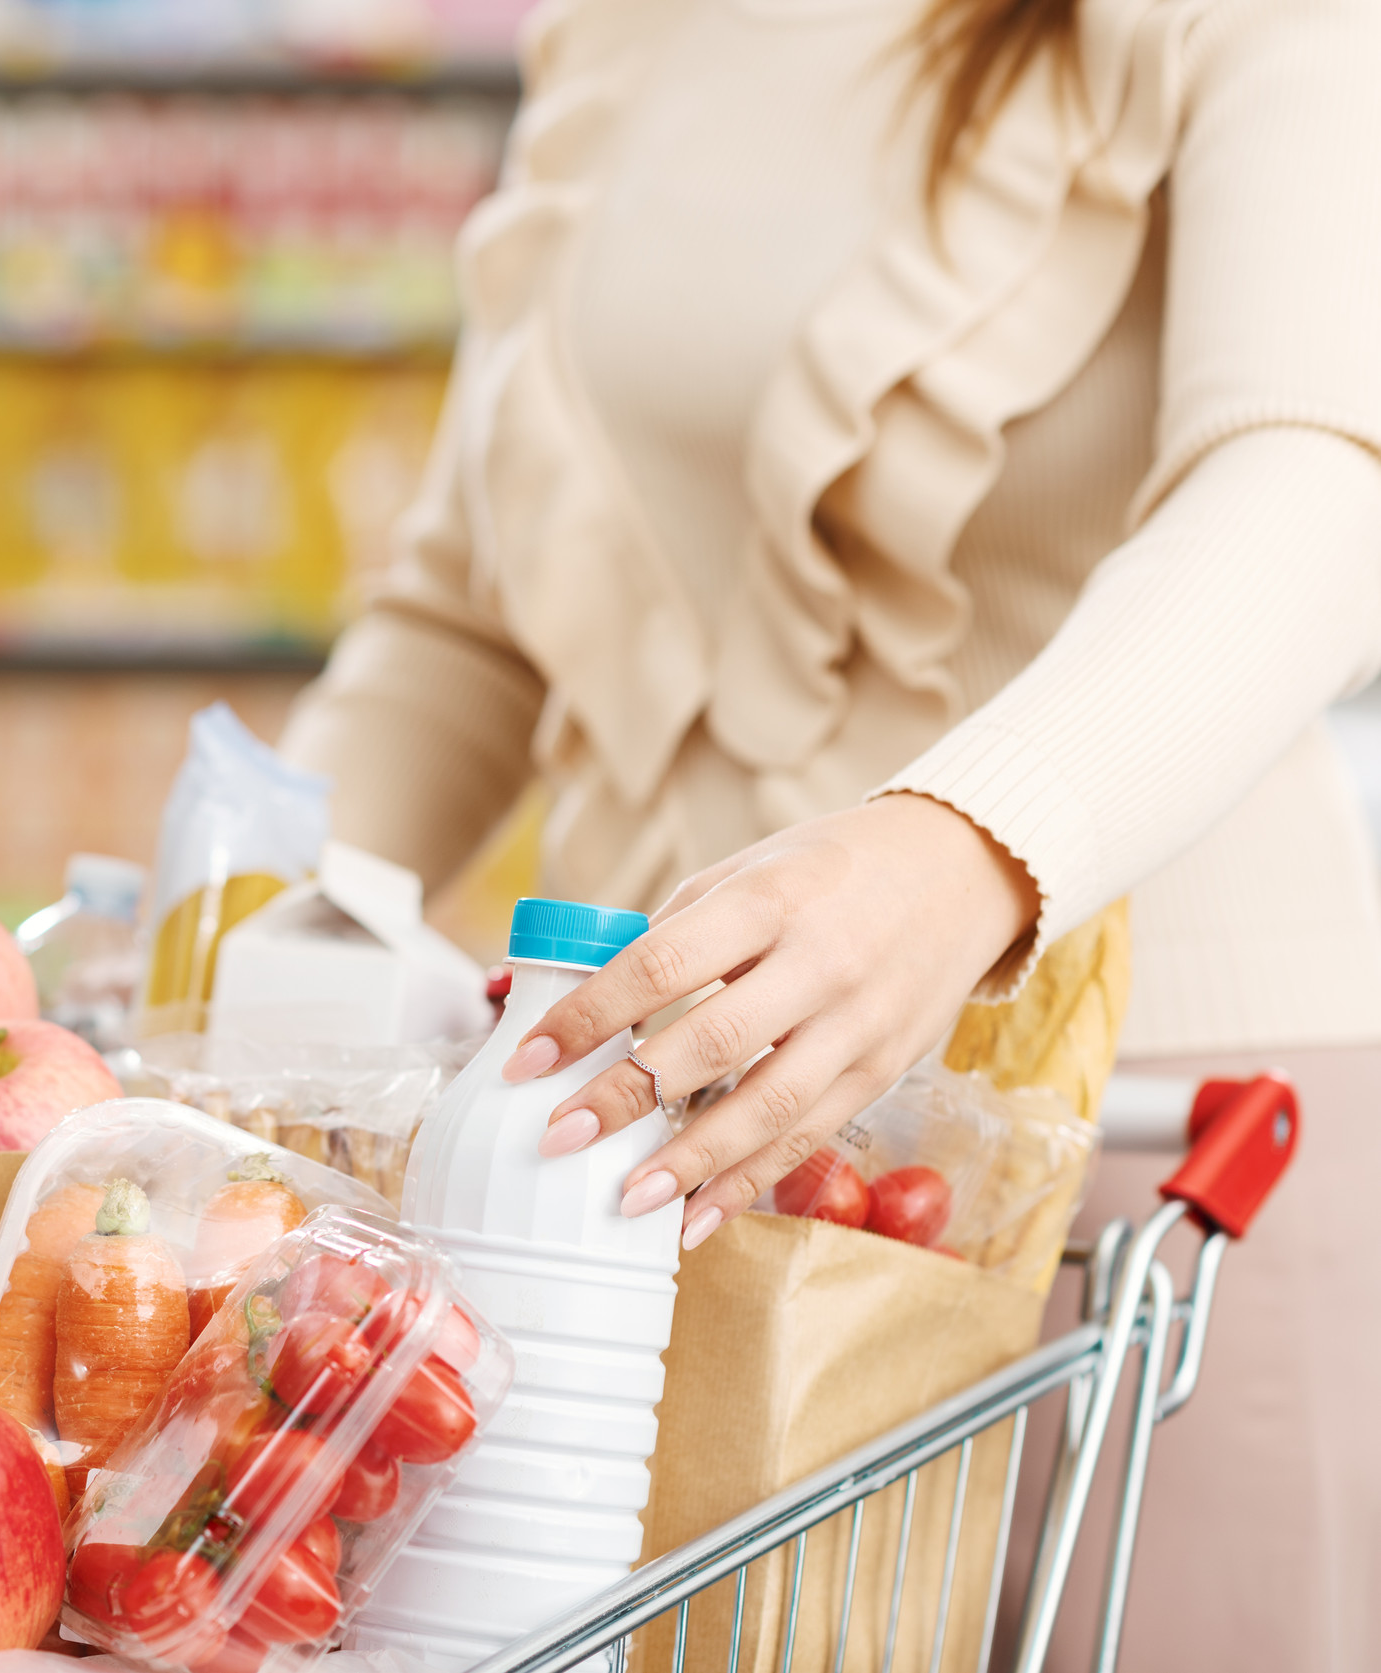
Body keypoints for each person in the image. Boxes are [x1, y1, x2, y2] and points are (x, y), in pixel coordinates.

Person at [279, 0, 1381, 1666]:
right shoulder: (621, 33)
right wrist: (262, 912)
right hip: (648, 1195)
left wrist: (962, 847)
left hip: (1146, 1167)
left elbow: (1311, 478)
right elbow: (468, 609)